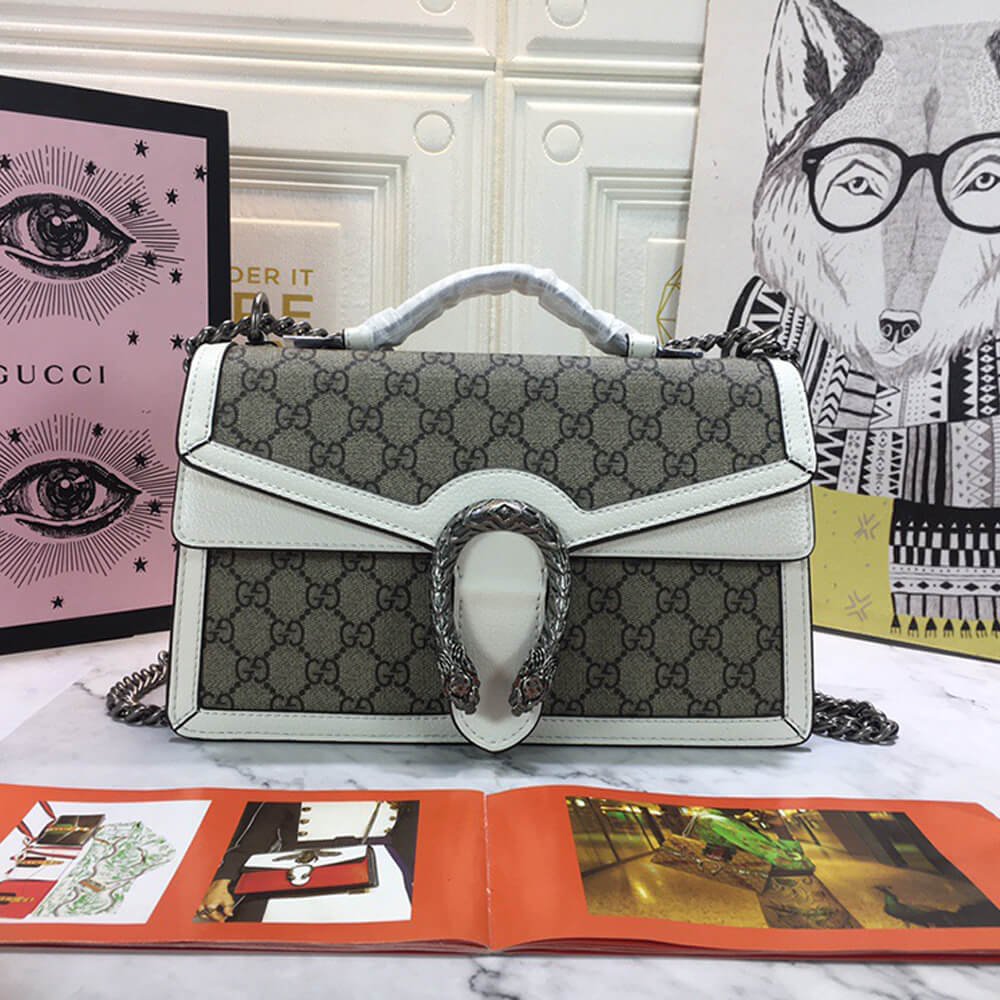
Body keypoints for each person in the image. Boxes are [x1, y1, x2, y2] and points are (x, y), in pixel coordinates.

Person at [197, 800, 418, 924]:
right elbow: (252, 843)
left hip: (379, 881)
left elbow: (414, 848)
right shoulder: (288, 784)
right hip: (291, 874)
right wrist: (221, 882)